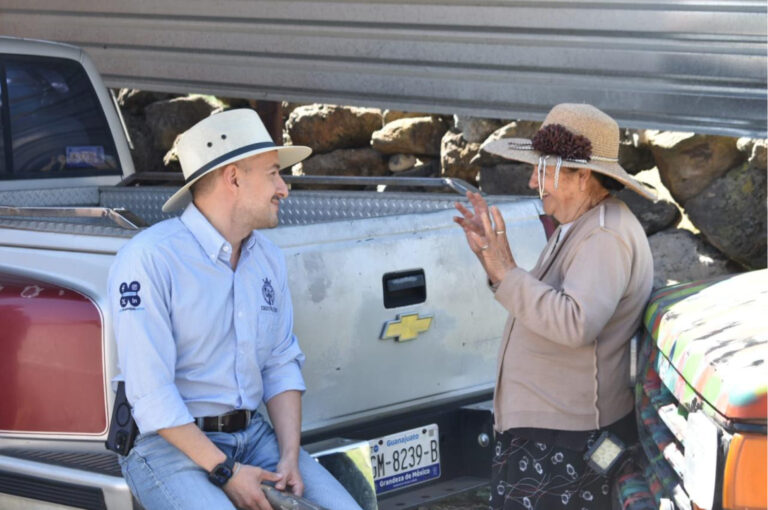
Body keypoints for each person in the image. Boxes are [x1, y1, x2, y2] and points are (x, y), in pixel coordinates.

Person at [108, 109, 362, 510]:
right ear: (234, 177)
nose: (284, 188)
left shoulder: (267, 258)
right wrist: (225, 470)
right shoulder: (150, 259)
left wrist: (289, 457)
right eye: (274, 173)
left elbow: (280, 362)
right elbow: (152, 395)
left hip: (255, 437)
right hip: (167, 446)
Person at [454, 103, 655, 510]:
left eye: (543, 170)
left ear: (582, 177)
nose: (532, 182)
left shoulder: (603, 236)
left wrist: (505, 268)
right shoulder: (582, 225)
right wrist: (496, 264)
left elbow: (574, 324)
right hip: (552, 435)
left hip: (568, 441)